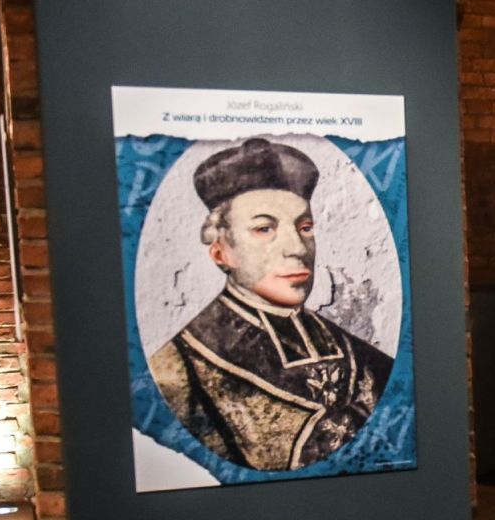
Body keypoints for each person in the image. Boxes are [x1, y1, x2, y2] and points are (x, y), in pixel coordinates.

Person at [148, 137, 393, 472]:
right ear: (221, 251)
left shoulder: (363, 357)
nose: (297, 248)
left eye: (305, 227)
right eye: (264, 229)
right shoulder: (179, 367)